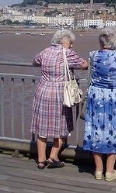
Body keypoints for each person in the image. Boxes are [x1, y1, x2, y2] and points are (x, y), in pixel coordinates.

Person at [30, 29, 88, 169]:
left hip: (43, 92)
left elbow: (35, 62)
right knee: (62, 125)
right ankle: (53, 156)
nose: (71, 45)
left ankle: (41, 160)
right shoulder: (67, 53)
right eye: (70, 42)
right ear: (64, 41)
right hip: (60, 94)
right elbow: (84, 64)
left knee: (42, 127)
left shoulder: (45, 51)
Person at [83, 27, 116, 182]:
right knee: (114, 131)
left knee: (96, 130)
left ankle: (98, 170)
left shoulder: (93, 55)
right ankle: (109, 171)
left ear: (100, 40)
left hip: (96, 96)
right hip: (115, 97)